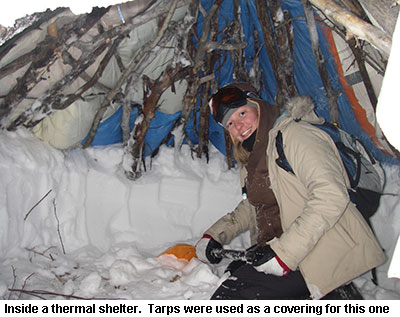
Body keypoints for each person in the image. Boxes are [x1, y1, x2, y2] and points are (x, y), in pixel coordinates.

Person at [195, 82, 386, 300]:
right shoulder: (256, 157)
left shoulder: (296, 135)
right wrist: (216, 235)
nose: (239, 126)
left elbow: (330, 196)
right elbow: (254, 206)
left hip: (316, 251)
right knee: (235, 276)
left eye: (242, 113)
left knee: (230, 299)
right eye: (230, 123)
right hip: (282, 251)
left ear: (257, 106)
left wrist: (284, 253)